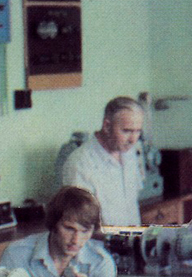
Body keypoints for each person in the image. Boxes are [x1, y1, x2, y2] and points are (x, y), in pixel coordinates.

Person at [0, 186, 117, 277]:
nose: (76, 240)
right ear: (53, 223)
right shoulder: (15, 255)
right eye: (69, 229)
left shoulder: (101, 263)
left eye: (85, 231)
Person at [61, 96, 145, 226]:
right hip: (99, 245)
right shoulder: (80, 164)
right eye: (127, 131)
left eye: (138, 131)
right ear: (106, 126)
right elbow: (80, 224)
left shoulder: (129, 153)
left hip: (131, 242)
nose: (133, 140)